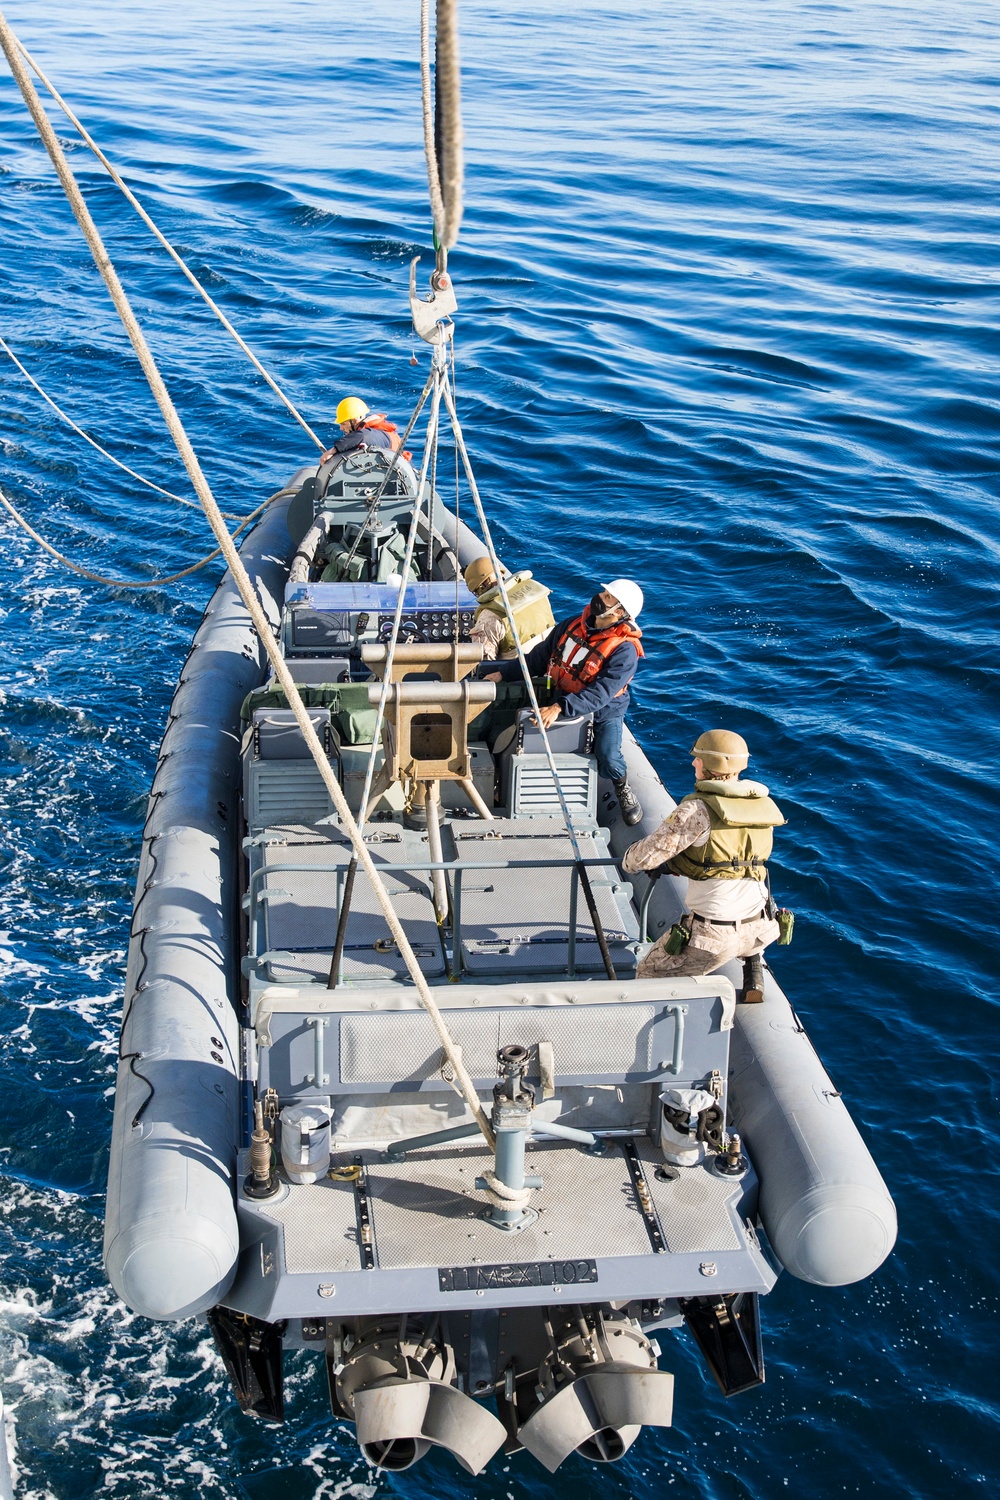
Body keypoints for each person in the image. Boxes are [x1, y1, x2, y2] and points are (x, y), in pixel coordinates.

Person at [621, 730, 785, 999]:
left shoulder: (697, 810)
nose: (693, 763)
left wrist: (628, 860)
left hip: (714, 934)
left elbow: (643, 858)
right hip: (762, 924)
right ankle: (753, 969)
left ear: (710, 765)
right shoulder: (762, 806)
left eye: (697, 759)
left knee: (649, 975)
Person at [485, 578, 645, 825]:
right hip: (561, 693)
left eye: (608, 597)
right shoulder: (572, 624)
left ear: (620, 612)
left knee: (609, 754)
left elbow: (602, 692)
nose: (601, 598)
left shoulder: (625, 651)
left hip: (604, 711)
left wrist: (561, 708)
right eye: (603, 593)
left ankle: (622, 788)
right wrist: (504, 673)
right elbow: (539, 657)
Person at [463, 556, 555, 661]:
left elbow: (484, 662)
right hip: (550, 665)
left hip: (517, 675)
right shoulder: (536, 592)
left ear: (479, 588)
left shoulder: (489, 616)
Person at [320, 397, 404, 462]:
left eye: (343, 423)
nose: (341, 428)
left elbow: (363, 436)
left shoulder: (378, 434)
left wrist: (333, 451)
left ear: (355, 420)